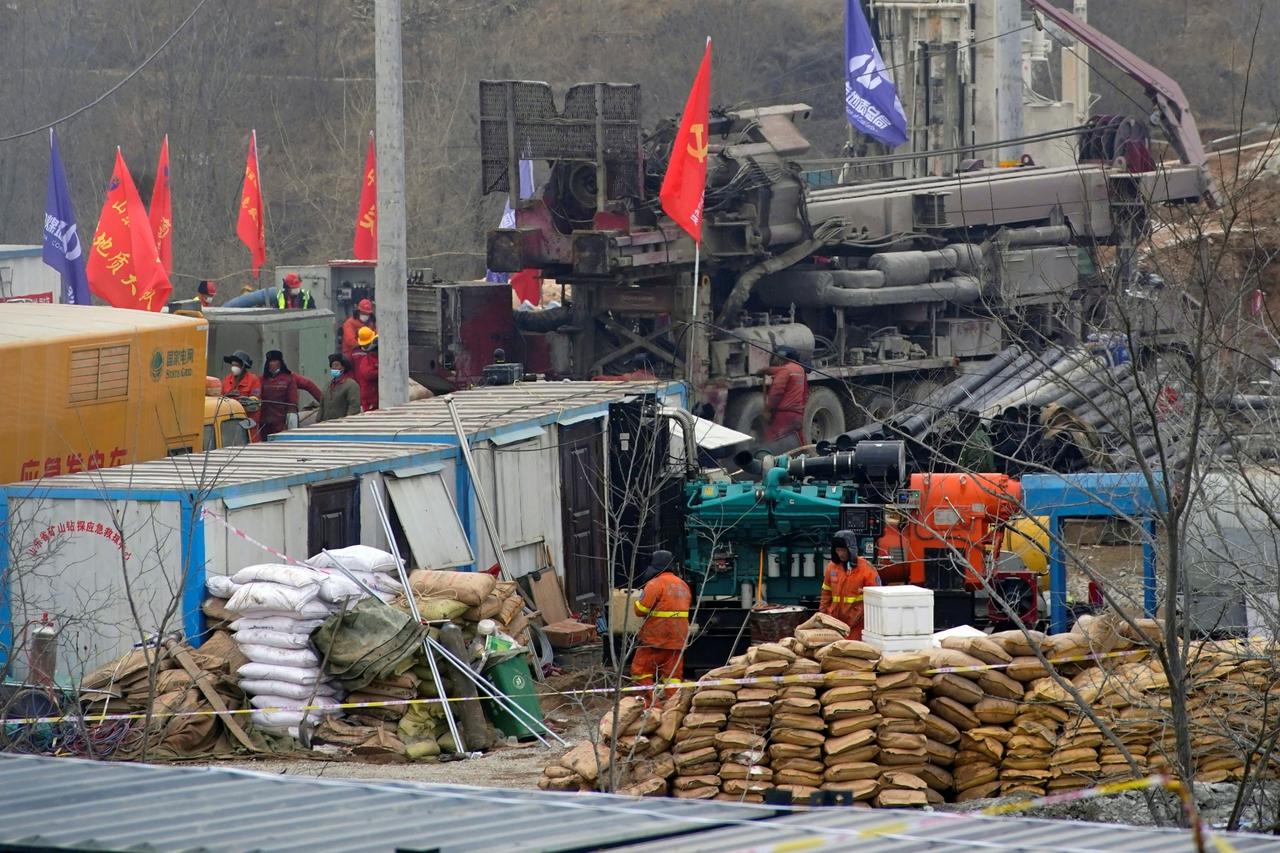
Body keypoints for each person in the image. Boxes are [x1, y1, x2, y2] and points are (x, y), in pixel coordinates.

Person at [631, 550, 691, 704]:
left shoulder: (655, 584)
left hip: (656, 637)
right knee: (673, 677)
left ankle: (652, 707)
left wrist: (636, 600)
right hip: (678, 639)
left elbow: (640, 610)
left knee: (641, 672)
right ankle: (675, 708)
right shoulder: (683, 585)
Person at [820, 529, 881, 641]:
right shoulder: (831, 567)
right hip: (835, 623)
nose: (840, 554)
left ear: (851, 549)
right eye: (838, 550)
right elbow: (826, 593)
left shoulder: (867, 569)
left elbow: (876, 598)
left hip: (857, 624)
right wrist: (822, 616)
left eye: (843, 550)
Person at [258, 350, 323, 440]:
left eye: (276, 361)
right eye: (271, 361)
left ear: (280, 362)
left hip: (282, 420)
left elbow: (308, 385)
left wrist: (323, 402)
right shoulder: (261, 379)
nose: (273, 363)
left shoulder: (289, 378)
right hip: (265, 420)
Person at [761, 347, 808, 446]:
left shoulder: (785, 370)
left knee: (772, 442)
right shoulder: (800, 370)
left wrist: (768, 410)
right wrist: (768, 370)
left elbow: (776, 392)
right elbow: (805, 394)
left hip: (784, 415)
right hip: (797, 414)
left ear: (783, 358)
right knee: (798, 443)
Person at [220, 350, 263, 441]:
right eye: (232, 365)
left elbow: (255, 404)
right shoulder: (227, 380)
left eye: (237, 365)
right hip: (228, 425)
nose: (234, 368)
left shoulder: (253, 380)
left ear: (243, 367)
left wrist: (243, 403)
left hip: (248, 424)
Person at [318, 353, 361, 422]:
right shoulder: (327, 386)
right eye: (332, 366)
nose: (334, 368)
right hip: (326, 426)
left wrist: (346, 423)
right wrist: (318, 423)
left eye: (337, 365)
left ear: (343, 368)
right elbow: (321, 408)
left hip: (342, 426)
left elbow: (354, 408)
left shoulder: (351, 385)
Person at [351, 327, 379, 412]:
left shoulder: (354, 353)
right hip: (369, 394)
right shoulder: (366, 359)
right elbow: (368, 374)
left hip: (367, 390)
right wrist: (382, 371)